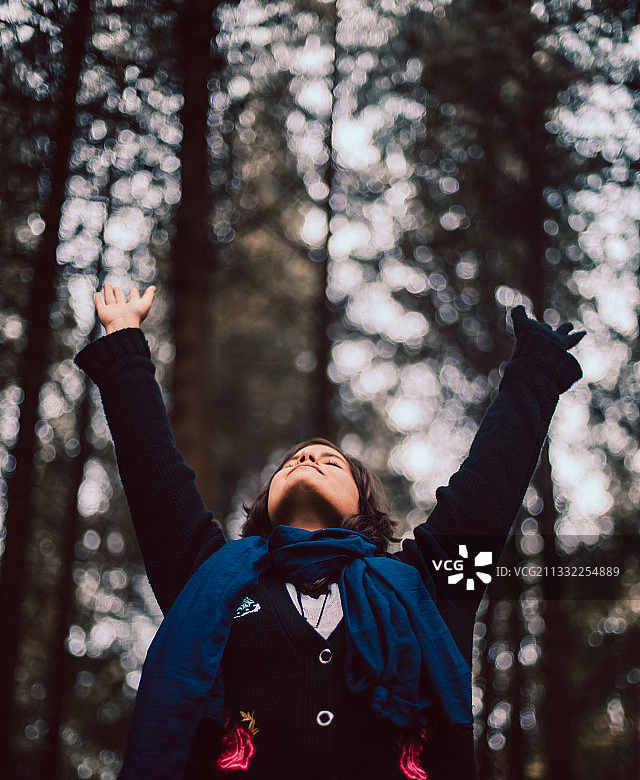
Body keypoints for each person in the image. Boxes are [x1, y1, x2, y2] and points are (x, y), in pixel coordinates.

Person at [75, 283, 584, 780]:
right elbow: (154, 475)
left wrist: (536, 371)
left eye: (330, 460)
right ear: (267, 504)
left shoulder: (426, 583)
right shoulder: (209, 573)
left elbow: (489, 490)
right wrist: (124, 345)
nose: (308, 456)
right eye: (294, 460)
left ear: (361, 505)